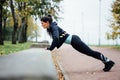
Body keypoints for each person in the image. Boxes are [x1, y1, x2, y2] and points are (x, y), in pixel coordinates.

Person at [40, 15, 115, 72]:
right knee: (89, 53)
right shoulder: (52, 27)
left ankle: (108, 62)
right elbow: (58, 39)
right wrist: (51, 47)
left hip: (75, 41)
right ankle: (107, 62)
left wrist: (50, 48)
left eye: (42, 23)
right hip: (74, 42)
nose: (42, 25)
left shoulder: (54, 27)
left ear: (47, 22)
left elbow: (56, 38)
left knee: (90, 52)